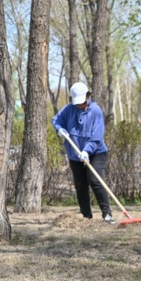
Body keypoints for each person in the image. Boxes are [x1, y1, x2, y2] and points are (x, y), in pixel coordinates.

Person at [53, 82, 113, 224]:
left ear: (87, 96)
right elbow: (56, 120)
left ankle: (107, 214)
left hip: (96, 152)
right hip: (75, 154)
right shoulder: (69, 109)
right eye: (77, 103)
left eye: (82, 102)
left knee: (95, 180)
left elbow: (97, 136)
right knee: (80, 184)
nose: (79, 105)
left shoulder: (96, 111)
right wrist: (59, 129)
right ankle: (86, 215)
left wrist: (87, 151)